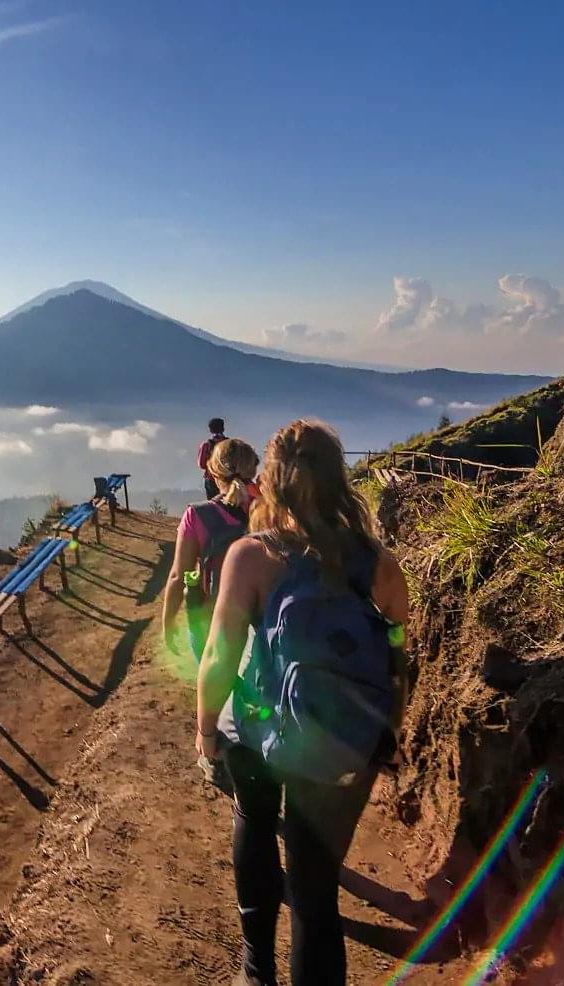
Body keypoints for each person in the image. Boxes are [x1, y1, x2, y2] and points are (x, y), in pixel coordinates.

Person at [197, 419, 410, 986]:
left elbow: (219, 658)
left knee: (255, 823)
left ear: (269, 484)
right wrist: (387, 732)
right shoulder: (380, 566)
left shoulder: (249, 557)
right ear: (338, 482)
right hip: (343, 740)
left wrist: (205, 733)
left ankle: (255, 970)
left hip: (256, 733)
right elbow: (396, 654)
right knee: (316, 892)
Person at [161, 437, 260, 662]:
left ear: (214, 475)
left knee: (216, 686)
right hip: (260, 620)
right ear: (252, 470)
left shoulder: (196, 515)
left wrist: (168, 624)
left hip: (212, 622)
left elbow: (178, 575)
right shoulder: (271, 511)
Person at [197, 417, 228, 499]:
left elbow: (202, 464)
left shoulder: (206, 445)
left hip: (211, 479)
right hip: (228, 479)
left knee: (213, 504)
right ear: (223, 428)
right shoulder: (231, 444)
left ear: (210, 430)